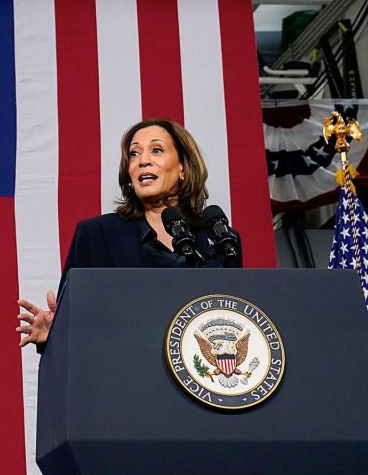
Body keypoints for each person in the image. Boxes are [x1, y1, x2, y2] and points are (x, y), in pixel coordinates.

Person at [18, 118, 242, 349]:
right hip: (123, 370)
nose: (143, 161)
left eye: (156, 150)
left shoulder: (221, 239)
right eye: (134, 154)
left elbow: (236, 320)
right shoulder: (96, 235)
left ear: (183, 168)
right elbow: (73, 320)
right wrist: (53, 333)